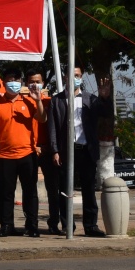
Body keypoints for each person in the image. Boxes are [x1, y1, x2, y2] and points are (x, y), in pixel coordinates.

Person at [48, 67, 111, 237]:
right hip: (65, 151)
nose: (74, 78)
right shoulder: (57, 100)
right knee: (64, 190)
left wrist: (105, 98)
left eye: (77, 76)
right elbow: (52, 128)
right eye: (71, 76)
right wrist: (55, 150)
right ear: (64, 78)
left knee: (88, 189)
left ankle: (91, 225)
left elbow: (105, 113)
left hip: (86, 150)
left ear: (81, 78)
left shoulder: (90, 99)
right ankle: (68, 225)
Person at [0, 67, 45, 238]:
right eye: (10, 80)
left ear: (21, 83)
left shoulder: (30, 102)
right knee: (5, 193)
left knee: (30, 192)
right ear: (4, 83)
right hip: (4, 156)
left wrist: (38, 101)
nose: (13, 83)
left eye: (16, 80)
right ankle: (6, 225)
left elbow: (42, 119)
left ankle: (32, 226)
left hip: (28, 154)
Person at [27, 70, 59, 234]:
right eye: (31, 81)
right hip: (30, 150)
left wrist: (50, 147)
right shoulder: (22, 102)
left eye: (38, 81)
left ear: (44, 83)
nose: (35, 84)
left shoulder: (50, 101)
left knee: (53, 189)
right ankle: (31, 225)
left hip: (48, 150)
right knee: (30, 190)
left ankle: (54, 223)